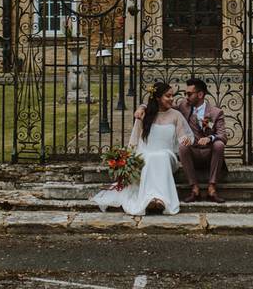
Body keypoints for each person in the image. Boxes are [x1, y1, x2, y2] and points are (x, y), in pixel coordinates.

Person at [92, 81, 194, 216]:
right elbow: (134, 139)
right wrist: (127, 160)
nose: (171, 99)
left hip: (168, 156)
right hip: (146, 153)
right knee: (150, 157)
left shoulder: (176, 115)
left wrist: (185, 140)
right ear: (157, 98)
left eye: (172, 96)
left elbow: (184, 137)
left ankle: (161, 198)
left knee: (161, 156)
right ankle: (151, 199)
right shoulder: (144, 115)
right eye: (167, 96)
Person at [135, 78, 228, 203]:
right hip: (192, 152)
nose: (186, 97)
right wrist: (142, 107)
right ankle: (194, 188)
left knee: (219, 144)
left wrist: (209, 138)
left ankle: (212, 188)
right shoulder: (183, 106)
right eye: (185, 94)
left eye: (189, 94)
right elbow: (160, 102)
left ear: (200, 95)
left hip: (209, 153)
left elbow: (223, 135)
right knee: (182, 147)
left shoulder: (216, 112)